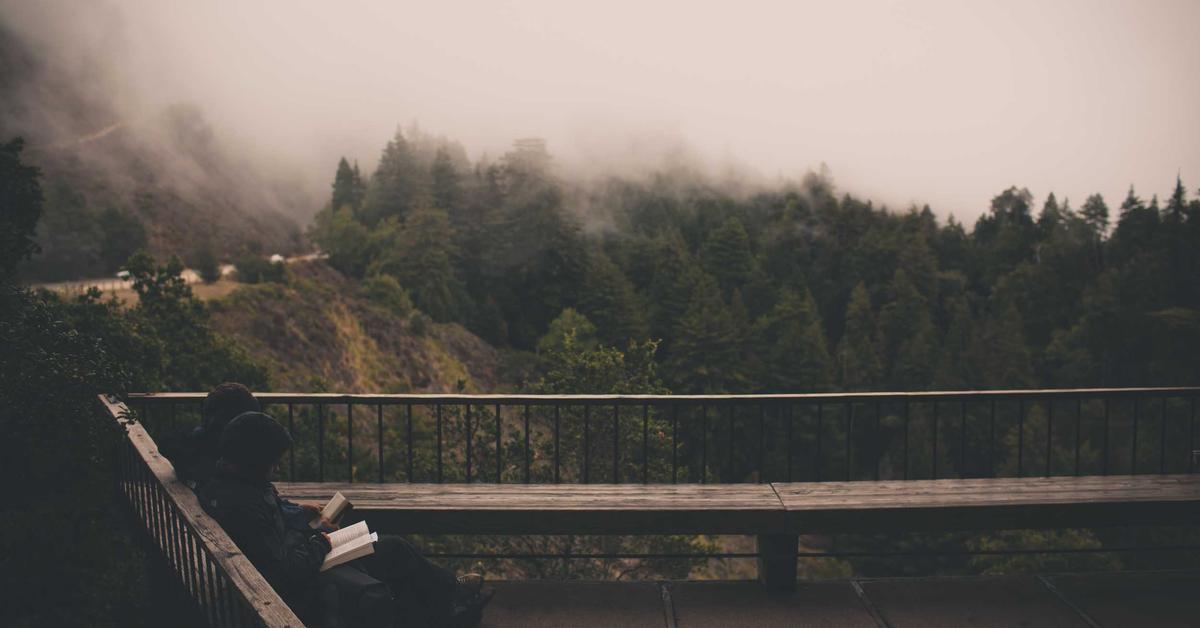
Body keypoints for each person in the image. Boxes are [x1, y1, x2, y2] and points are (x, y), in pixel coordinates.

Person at [199, 411, 492, 627]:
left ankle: (451, 597)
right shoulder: (245, 503)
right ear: (256, 459)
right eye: (273, 461)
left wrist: (300, 511)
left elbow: (272, 520)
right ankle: (453, 600)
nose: (276, 468)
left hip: (304, 558)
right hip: (304, 580)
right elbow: (282, 571)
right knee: (392, 551)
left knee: (389, 546)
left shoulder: (236, 482)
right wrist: (321, 543)